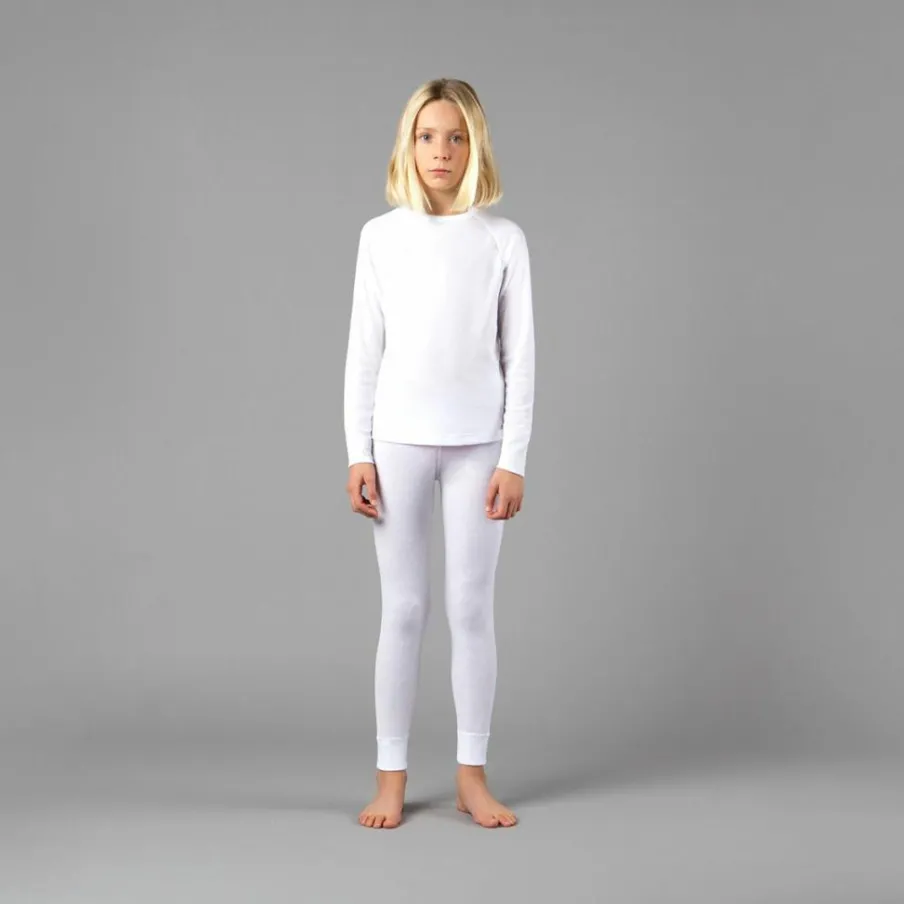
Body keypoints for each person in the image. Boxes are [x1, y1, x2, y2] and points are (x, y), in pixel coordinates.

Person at [343, 77, 535, 829]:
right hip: (397, 443)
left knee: (471, 608)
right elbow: (363, 354)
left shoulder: (502, 241)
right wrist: (358, 452)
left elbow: (520, 358)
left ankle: (470, 776)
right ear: (409, 144)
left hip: (478, 446)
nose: (441, 151)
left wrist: (513, 458)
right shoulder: (380, 237)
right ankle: (390, 776)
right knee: (404, 609)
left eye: (456, 137)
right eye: (428, 136)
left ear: (474, 145)